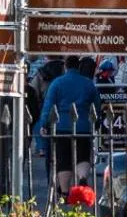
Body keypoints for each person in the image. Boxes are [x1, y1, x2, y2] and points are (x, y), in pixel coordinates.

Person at [37, 54, 102, 196]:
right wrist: (96, 122)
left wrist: (44, 124)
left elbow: (48, 106)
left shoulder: (57, 83)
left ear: (65, 67)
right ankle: (83, 179)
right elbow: (97, 105)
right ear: (78, 67)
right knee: (83, 156)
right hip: (83, 126)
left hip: (62, 126)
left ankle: (65, 192)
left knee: (63, 159)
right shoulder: (88, 83)